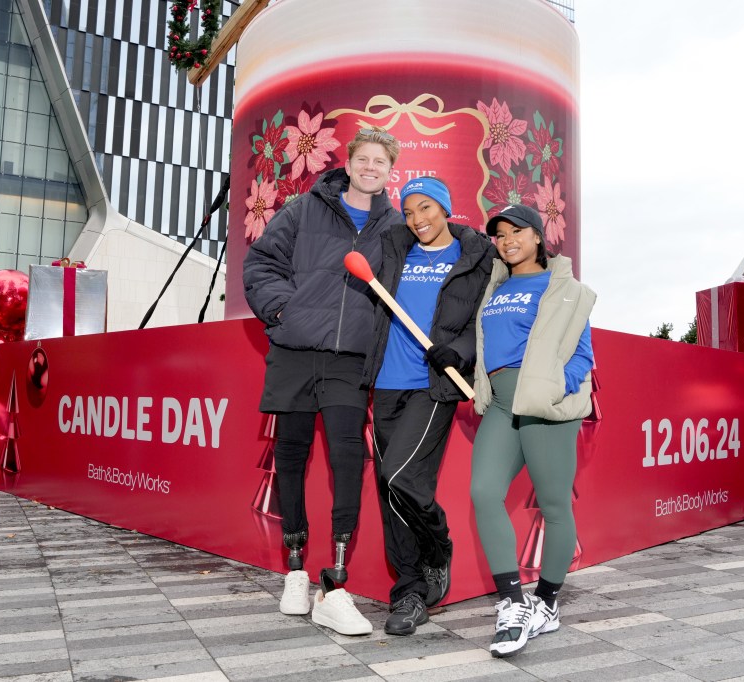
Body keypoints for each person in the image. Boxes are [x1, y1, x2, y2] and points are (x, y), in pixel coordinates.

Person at [242, 127, 402, 636]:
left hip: (349, 361)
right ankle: (294, 570)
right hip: (293, 351)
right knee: (289, 456)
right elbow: (261, 262)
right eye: (364, 158)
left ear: (389, 170)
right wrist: (284, 310)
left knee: (346, 458)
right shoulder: (303, 209)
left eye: (381, 161)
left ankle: (335, 583)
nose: (370, 167)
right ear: (349, 162)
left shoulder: (395, 227)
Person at [361, 177, 494, 636]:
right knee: (391, 491)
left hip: (433, 384)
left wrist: (459, 349)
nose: (417, 220)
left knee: (398, 474)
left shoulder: (476, 256)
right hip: (385, 382)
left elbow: (485, 316)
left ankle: (439, 549)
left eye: (426, 208)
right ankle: (411, 592)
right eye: (410, 211)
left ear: (446, 208)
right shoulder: (394, 249)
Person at [469, 204, 596, 658]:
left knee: (554, 504)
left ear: (538, 236)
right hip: (501, 403)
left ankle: (546, 601)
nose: (506, 241)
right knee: (484, 492)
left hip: (544, 405)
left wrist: (552, 388)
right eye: (499, 236)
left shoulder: (566, 288)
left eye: (515, 232)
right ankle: (512, 602)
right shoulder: (496, 287)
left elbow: (583, 354)